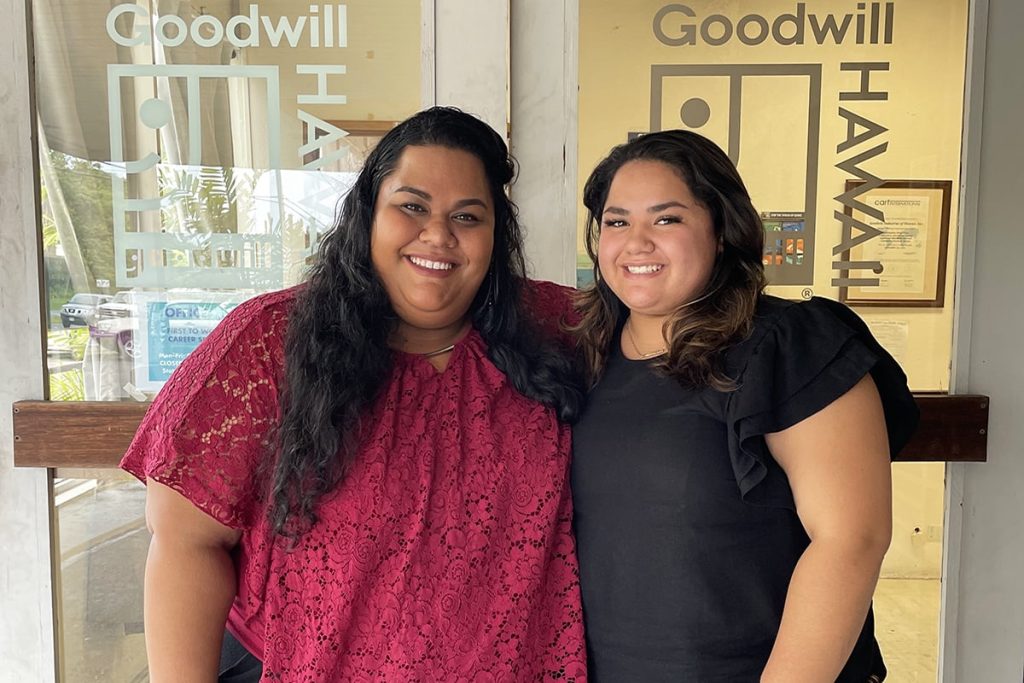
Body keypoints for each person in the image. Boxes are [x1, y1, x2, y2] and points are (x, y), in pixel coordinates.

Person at [121, 107, 589, 682]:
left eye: (468, 216)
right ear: (367, 213)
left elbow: (676, 323)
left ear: (497, 235)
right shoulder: (273, 341)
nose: (438, 234)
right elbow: (185, 542)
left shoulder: (557, 330)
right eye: (412, 206)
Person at [569, 130, 919, 682]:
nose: (636, 242)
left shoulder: (789, 346)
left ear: (722, 232)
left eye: (667, 219)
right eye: (617, 221)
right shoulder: (583, 357)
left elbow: (852, 539)